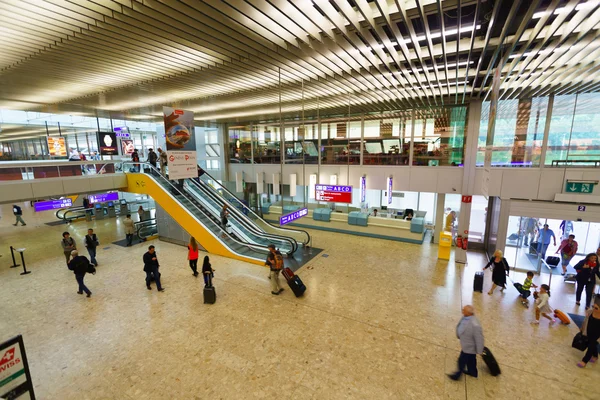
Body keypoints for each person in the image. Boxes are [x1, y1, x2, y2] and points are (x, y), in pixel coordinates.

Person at [447, 305, 484, 381]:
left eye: (464, 310)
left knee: (462, 360)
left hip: (469, 347)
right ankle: (473, 372)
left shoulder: (475, 325)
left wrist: (480, 350)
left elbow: (479, 338)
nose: (462, 311)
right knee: (471, 360)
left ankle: (457, 375)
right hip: (467, 345)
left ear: (469, 313)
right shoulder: (465, 317)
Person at [577, 299, 600, 368]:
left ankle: (584, 361)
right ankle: (595, 355)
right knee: (591, 344)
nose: (594, 309)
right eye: (593, 306)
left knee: (591, 346)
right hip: (589, 331)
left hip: (597, 334)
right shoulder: (590, 312)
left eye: (596, 308)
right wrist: (582, 328)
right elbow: (585, 320)